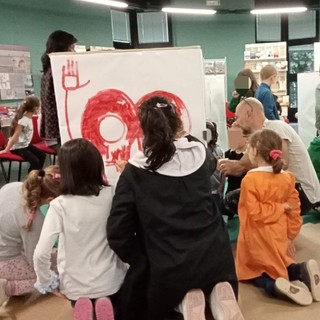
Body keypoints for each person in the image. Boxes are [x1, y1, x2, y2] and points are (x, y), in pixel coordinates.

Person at [107, 96, 244, 320]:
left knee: (140, 299)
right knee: (213, 270)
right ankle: (216, 293)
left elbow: (117, 232)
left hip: (169, 265)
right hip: (216, 257)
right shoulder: (201, 154)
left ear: (145, 129)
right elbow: (185, 148)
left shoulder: (134, 171)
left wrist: (142, 259)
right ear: (178, 122)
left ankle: (186, 300)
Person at [33, 138, 128, 320]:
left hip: (75, 283)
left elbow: (40, 253)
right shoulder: (112, 194)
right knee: (111, 300)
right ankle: (104, 303)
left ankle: (84, 304)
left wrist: (47, 282)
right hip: (111, 279)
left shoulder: (59, 205)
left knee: (80, 300)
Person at [236, 129, 320, 306]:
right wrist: (290, 235)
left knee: (257, 270)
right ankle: (300, 270)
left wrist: (277, 207)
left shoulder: (250, 180)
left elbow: (253, 212)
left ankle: (274, 287)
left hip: (257, 236)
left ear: (254, 151)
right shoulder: (288, 178)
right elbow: (295, 210)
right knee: (279, 262)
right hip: (280, 233)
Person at [218, 97, 320, 215]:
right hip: (291, 189)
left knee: (238, 198)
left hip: (303, 193)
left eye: (237, 117)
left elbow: (282, 163)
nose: (236, 122)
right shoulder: (260, 136)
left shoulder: (276, 127)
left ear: (249, 113)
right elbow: (242, 165)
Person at [0, 165, 60, 306]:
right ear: (51, 200)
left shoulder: (14, 186)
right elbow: (36, 261)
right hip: (4, 259)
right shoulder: (33, 219)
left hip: (6, 247)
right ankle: (7, 287)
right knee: (57, 272)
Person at [40, 30, 77, 150]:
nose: (74, 52)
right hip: (60, 126)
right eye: (72, 48)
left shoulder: (48, 70)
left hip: (56, 127)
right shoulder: (56, 71)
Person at [0, 96, 46, 173]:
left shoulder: (29, 118)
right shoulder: (23, 121)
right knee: (35, 162)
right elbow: (14, 137)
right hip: (17, 147)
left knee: (42, 156)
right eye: (39, 106)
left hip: (25, 145)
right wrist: (6, 150)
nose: (40, 108)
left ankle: (37, 175)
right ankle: (31, 179)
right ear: (35, 108)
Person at [206, 120, 224, 211]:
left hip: (215, 189)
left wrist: (221, 187)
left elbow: (223, 171)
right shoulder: (199, 150)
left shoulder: (218, 150)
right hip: (204, 190)